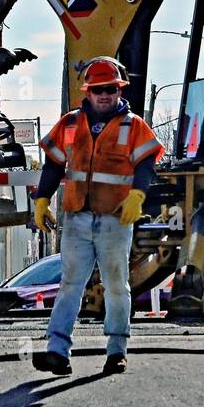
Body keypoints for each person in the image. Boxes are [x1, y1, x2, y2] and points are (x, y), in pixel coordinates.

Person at [32, 57, 164, 376]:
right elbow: (53, 164)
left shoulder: (134, 127)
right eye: (98, 90)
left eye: (110, 89)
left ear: (119, 90)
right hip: (77, 217)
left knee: (116, 285)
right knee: (69, 285)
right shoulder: (70, 124)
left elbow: (146, 164)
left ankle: (117, 350)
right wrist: (42, 199)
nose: (104, 95)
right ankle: (57, 351)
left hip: (115, 219)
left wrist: (138, 194)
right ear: (87, 92)